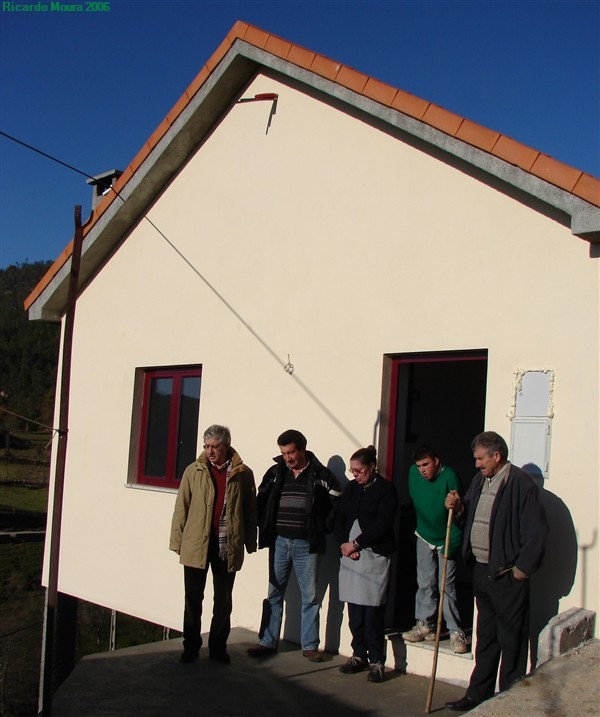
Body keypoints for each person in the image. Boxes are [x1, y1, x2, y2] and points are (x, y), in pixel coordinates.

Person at [444, 431, 548, 712]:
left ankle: (509, 700)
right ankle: (478, 695)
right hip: (481, 570)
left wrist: (521, 571)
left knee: (511, 639)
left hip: (507, 574)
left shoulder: (521, 485)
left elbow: (536, 533)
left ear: (496, 455)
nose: (476, 465)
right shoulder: (481, 481)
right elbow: (469, 513)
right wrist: (458, 506)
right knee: (486, 638)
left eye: (480, 459)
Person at [247, 429, 342, 662]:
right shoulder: (276, 472)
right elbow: (262, 499)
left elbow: (337, 500)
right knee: (274, 593)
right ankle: (267, 642)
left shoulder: (321, 474)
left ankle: (309, 645)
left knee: (309, 596)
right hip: (279, 541)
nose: (287, 457)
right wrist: (262, 524)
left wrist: (322, 527)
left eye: (291, 452)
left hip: (306, 545)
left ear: (302, 449)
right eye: (283, 453)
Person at [169, 424, 257, 665]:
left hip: (227, 544)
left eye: (215, 447)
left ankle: (218, 647)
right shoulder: (193, 471)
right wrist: (176, 540)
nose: (210, 452)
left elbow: (250, 510)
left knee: (223, 600)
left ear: (226, 446)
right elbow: (181, 507)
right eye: (207, 447)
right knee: (193, 598)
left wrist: (250, 542)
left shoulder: (243, 473)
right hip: (196, 544)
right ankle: (191, 647)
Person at [334, 445, 398, 683]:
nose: (355, 475)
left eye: (359, 471)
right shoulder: (351, 489)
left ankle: (376, 660)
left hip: (373, 555)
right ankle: (358, 654)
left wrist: (357, 544)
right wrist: (344, 544)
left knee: (372, 611)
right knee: (355, 611)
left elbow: (383, 523)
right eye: (352, 471)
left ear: (372, 468)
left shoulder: (386, 490)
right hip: (350, 556)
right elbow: (339, 517)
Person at [401, 445, 467, 654]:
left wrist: (455, 506)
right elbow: (414, 501)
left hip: (447, 535)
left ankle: (456, 631)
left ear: (436, 461)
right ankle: (424, 623)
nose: (422, 469)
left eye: (426, 464)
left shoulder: (450, 477)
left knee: (445, 585)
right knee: (425, 582)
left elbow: (459, 513)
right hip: (424, 532)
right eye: (419, 465)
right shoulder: (413, 474)